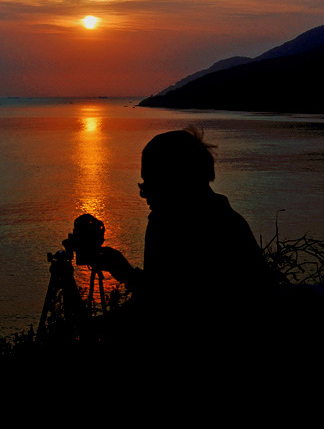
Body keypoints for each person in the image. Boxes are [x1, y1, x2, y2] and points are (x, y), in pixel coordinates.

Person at [97, 127, 275, 345]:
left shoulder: (170, 225)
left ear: (175, 180)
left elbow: (167, 304)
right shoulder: (227, 218)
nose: (145, 194)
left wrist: (123, 272)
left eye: (150, 182)